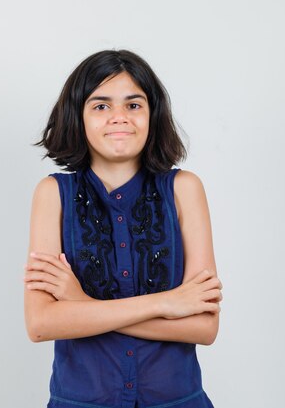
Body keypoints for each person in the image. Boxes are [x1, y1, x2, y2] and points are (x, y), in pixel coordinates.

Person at [23, 49, 223, 408]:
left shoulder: (184, 189)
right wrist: (166, 303)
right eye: (101, 106)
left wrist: (82, 307)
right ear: (78, 116)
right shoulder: (53, 194)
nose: (119, 117)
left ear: (152, 114)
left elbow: (203, 326)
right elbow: (41, 323)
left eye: (133, 105)